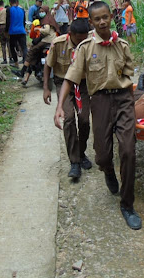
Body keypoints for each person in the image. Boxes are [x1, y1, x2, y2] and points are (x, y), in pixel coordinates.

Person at [54, 1, 141, 230]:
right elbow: (70, 78)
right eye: (97, 19)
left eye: (105, 17)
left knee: (128, 151)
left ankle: (127, 204)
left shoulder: (122, 45)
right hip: (100, 101)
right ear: (91, 22)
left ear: (111, 17)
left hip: (123, 99)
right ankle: (108, 170)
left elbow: (130, 74)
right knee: (102, 155)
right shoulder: (84, 49)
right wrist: (59, 107)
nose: (102, 21)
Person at [43, 18, 92, 179]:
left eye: (84, 39)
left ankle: (81, 152)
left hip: (82, 84)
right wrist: (46, 88)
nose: (81, 43)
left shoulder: (90, 43)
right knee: (69, 118)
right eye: (78, 39)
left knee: (84, 119)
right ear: (70, 34)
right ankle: (75, 161)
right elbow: (48, 65)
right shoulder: (58, 43)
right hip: (62, 82)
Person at [14, 5, 60, 86]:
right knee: (34, 55)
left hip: (46, 41)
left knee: (31, 51)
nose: (41, 13)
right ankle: (24, 75)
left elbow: (46, 31)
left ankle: (23, 71)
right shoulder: (49, 19)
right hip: (51, 41)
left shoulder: (45, 21)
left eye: (42, 11)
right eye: (40, 12)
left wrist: (38, 29)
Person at [6, 0, 27, 65]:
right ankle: (25, 62)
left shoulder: (9, 9)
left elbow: (8, 21)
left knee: (12, 47)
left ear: (10, 2)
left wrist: (7, 31)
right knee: (24, 47)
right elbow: (24, 21)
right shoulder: (22, 10)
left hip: (13, 31)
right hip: (21, 30)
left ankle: (16, 61)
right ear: (17, 2)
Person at [0, 0, 11, 64]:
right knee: (8, 42)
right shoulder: (6, 10)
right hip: (7, 26)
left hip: (1, 27)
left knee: (3, 43)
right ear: (3, 3)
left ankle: (4, 59)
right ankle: (11, 57)